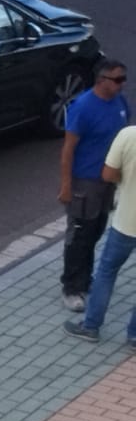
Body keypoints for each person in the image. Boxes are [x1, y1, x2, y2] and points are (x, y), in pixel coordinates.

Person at [59, 59, 130, 313]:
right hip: (85, 182)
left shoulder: (120, 103)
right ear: (102, 80)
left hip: (106, 182)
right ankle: (72, 287)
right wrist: (66, 185)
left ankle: (84, 279)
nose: (123, 83)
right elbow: (68, 150)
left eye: (124, 78)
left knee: (95, 230)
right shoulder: (83, 107)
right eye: (118, 79)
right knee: (79, 234)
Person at [65, 121, 136, 348]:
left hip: (127, 221)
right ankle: (134, 336)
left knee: (107, 271)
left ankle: (91, 326)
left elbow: (108, 174)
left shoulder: (127, 135)